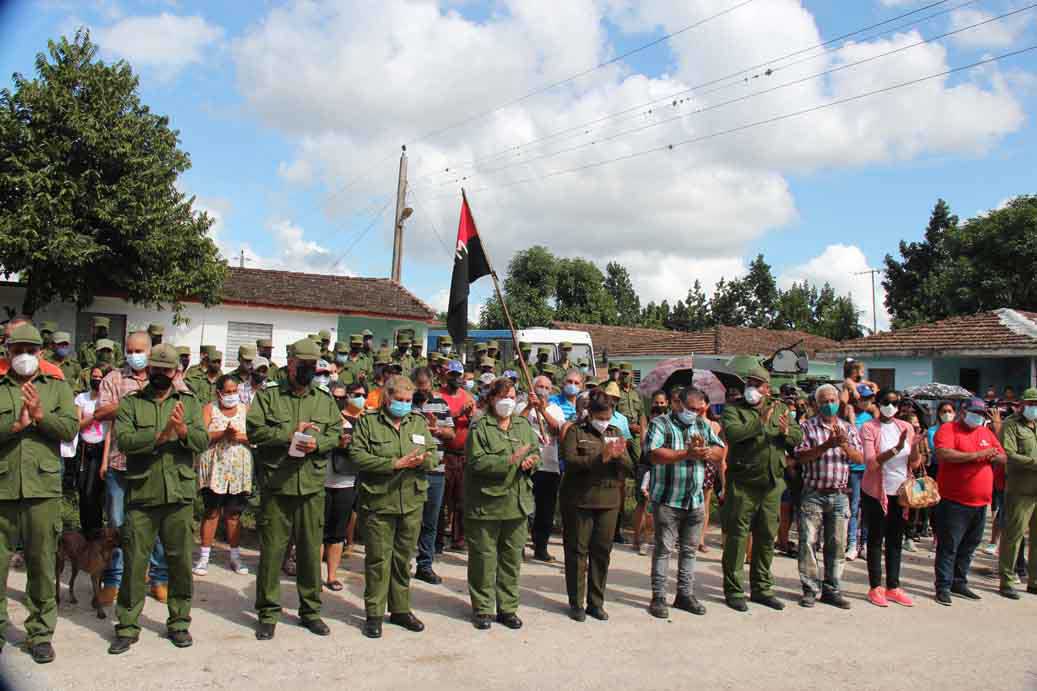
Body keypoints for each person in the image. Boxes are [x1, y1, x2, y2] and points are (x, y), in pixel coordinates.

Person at [108, 344, 207, 655]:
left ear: (176, 372)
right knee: (135, 562)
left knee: (179, 562)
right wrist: (160, 437)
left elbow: (202, 440)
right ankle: (126, 626)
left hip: (178, 494)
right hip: (142, 492)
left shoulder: (189, 403)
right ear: (147, 370)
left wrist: (182, 433)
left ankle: (179, 623)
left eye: (167, 370)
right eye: (156, 369)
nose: (161, 375)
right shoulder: (131, 404)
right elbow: (124, 441)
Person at [247, 337, 341, 640]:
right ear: (290, 364)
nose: (309, 371)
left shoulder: (324, 398)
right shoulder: (269, 396)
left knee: (311, 554)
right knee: (272, 552)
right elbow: (255, 430)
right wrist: (289, 435)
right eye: (304, 366)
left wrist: (318, 443)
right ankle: (268, 612)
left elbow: (336, 432)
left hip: (311, 486)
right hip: (278, 485)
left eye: (314, 366)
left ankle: (310, 611)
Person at [0, 324, 77, 663]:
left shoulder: (57, 388)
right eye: (18, 350)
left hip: (43, 490)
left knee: (42, 564)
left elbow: (70, 428)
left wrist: (42, 418)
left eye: (31, 350)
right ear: (7, 353)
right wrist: (13, 426)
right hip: (2, 488)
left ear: (40, 354)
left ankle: (40, 633)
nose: (24, 357)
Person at [349, 375, 435, 639]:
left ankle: (400, 609)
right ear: (387, 398)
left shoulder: (418, 423)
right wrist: (393, 464)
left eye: (408, 401)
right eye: (399, 400)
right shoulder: (368, 423)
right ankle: (374, 613)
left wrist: (424, 459)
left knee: (402, 559)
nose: (404, 405)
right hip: (379, 501)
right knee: (378, 559)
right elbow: (357, 454)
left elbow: (433, 452)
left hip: (411, 501)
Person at [95, 332, 173, 607]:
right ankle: (114, 579)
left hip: (154, 464)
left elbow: (182, 406)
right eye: (129, 349)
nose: (133, 354)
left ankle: (158, 578)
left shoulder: (167, 377)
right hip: (121, 461)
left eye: (139, 349)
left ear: (150, 351)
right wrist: (133, 405)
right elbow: (101, 412)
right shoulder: (114, 378)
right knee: (117, 523)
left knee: (156, 523)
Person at [720, 364, 803, 612]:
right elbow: (733, 434)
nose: (751, 389)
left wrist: (787, 431)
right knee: (737, 537)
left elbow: (797, 436)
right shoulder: (734, 409)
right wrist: (760, 424)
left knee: (767, 537)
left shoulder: (780, 409)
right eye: (749, 384)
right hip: (743, 482)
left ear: (767, 389)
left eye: (757, 385)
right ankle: (734, 590)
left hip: (772, 483)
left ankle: (761, 588)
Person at [464, 378, 540, 630]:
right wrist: (509, 460)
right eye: (502, 397)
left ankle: (507, 608)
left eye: (512, 396)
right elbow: (477, 462)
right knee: (484, 559)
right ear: (491, 399)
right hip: (487, 502)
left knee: (511, 559)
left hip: (517, 503)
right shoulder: (480, 427)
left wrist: (530, 462)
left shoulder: (522, 425)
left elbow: (534, 451)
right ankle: (483, 608)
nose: (508, 402)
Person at [645, 387, 725, 619]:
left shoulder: (701, 425)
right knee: (663, 550)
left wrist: (708, 452)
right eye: (691, 409)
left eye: (700, 410)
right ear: (678, 403)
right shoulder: (660, 424)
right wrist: (686, 454)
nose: (696, 413)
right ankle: (659, 597)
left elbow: (720, 449)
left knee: (689, 551)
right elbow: (653, 454)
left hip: (694, 500)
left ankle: (684, 594)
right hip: (668, 499)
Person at [559, 389, 632, 621]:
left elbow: (631, 467)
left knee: (601, 553)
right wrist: (602, 456)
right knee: (577, 552)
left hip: (609, 501)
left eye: (608, 417)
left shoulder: (616, 432)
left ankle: (596, 602)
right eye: (600, 418)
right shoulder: (575, 432)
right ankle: (576, 603)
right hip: (580, 500)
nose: (604, 422)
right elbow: (570, 462)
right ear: (590, 414)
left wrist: (619, 456)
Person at [792, 384, 863, 609]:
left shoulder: (848, 428)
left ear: (839, 403)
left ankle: (832, 589)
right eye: (824, 401)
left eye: (832, 400)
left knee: (837, 544)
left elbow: (860, 458)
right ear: (816, 404)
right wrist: (826, 446)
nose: (829, 404)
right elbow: (800, 457)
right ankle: (810, 589)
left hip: (840, 494)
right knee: (808, 542)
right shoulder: (806, 427)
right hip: (813, 493)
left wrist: (843, 445)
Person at [932, 398, 1007, 606]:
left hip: (980, 502)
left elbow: (1001, 456)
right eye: (975, 412)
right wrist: (978, 455)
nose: (978, 417)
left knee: (969, 545)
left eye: (981, 414)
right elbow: (944, 454)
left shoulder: (985, 433)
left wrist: (994, 456)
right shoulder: (948, 430)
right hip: (954, 500)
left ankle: (959, 582)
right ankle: (943, 586)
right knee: (949, 546)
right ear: (963, 412)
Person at [858, 389, 922, 608]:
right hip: (876, 493)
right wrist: (896, 448)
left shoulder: (906, 427)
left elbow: (913, 463)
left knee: (895, 540)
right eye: (886, 402)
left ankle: (893, 586)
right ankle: (875, 587)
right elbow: (871, 462)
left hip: (901, 493)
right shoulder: (869, 427)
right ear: (877, 403)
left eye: (895, 403)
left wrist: (912, 448)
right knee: (876, 540)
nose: (891, 406)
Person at [193, 375, 252, 577]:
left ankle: (235, 556)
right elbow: (200, 436)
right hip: (214, 468)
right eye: (227, 391)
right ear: (219, 392)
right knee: (211, 512)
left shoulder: (245, 409)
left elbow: (255, 435)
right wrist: (221, 434)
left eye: (234, 390)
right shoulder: (209, 409)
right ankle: (204, 557)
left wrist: (239, 437)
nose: (232, 395)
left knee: (234, 513)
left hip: (238, 469)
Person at [413, 368, 455, 584]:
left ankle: (425, 564)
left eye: (425, 387)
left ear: (431, 384)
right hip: (411, 471)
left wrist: (435, 429)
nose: (422, 391)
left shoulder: (441, 404)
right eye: (418, 387)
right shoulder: (405, 403)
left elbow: (451, 433)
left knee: (430, 521)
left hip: (436, 470)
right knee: (409, 521)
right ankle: (400, 563)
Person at [997, 387, 1037, 598]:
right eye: (1031, 404)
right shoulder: (1011, 424)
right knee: (1014, 535)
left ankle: (1034, 580)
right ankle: (1007, 579)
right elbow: (1008, 453)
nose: (1034, 408)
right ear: (1022, 404)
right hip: (1020, 489)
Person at [322, 382, 359, 592]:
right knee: (319, 531)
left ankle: (332, 575)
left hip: (345, 481)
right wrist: (333, 442)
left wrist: (348, 444)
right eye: (335, 396)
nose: (339, 400)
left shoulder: (353, 421)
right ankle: (313, 575)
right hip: (321, 481)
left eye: (342, 397)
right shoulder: (320, 418)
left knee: (337, 532)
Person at [528, 375, 566, 562]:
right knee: (525, 507)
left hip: (549, 465)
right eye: (539, 386)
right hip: (528, 463)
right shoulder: (523, 407)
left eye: (546, 387)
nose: (543, 390)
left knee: (545, 510)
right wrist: (530, 406)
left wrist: (543, 411)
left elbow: (559, 430)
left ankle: (541, 546)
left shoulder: (556, 410)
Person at [439, 360, 475, 552]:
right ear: (446, 375)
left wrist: (469, 417)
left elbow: (473, 423)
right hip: (443, 454)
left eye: (459, 375)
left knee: (461, 499)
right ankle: (438, 537)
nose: (456, 379)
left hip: (462, 454)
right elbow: (437, 420)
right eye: (453, 375)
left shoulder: (468, 397)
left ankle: (458, 538)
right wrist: (457, 413)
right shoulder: (438, 396)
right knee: (442, 499)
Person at [75, 365, 110, 538]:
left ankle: (96, 529)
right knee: (82, 490)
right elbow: (77, 424)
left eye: (100, 376)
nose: (96, 379)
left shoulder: (108, 401)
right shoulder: (82, 398)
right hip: (83, 449)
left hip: (100, 448)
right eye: (94, 376)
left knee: (93, 491)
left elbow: (110, 428)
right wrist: (94, 416)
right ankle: (85, 529)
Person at [634, 390, 668, 556]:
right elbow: (643, 443)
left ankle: (658, 539)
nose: (659, 405)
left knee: (662, 506)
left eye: (662, 403)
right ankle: (640, 539)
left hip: (663, 466)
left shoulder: (670, 421)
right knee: (644, 503)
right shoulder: (646, 419)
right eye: (656, 402)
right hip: (647, 465)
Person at [846, 384, 875, 561]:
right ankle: (851, 544)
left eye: (869, 399)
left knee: (867, 508)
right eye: (863, 398)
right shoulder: (848, 416)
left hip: (868, 468)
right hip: (853, 468)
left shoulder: (871, 418)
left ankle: (864, 543)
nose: (866, 402)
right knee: (853, 507)